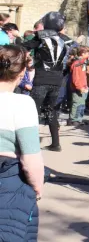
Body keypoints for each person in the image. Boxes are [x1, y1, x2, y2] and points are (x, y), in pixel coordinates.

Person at [0, 45, 43, 241]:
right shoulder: (23, 104)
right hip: (9, 182)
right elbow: (30, 158)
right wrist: (37, 186)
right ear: (22, 72)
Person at [29, 12, 70, 152]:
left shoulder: (41, 37)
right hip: (57, 80)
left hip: (42, 79)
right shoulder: (64, 39)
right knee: (50, 110)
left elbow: (24, 46)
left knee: (33, 111)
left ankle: (30, 145)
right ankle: (55, 143)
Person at [67, 47, 87, 126]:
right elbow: (75, 77)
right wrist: (79, 87)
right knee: (77, 103)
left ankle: (79, 119)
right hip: (78, 88)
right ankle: (73, 120)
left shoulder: (82, 63)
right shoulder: (77, 63)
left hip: (83, 87)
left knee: (81, 104)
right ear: (83, 54)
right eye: (88, 53)